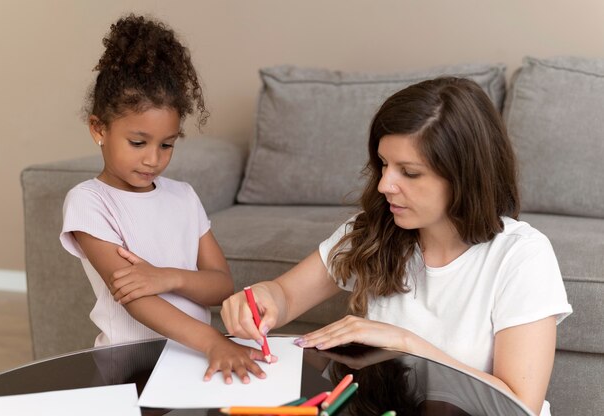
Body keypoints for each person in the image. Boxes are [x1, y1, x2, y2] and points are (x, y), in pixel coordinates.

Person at [221, 77, 572, 415]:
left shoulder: (521, 256)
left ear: (464, 175)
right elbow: (285, 295)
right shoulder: (372, 233)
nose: (385, 185)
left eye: (410, 172)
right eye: (384, 165)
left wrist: (407, 343)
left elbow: (519, 406)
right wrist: (263, 298)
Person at [60, 14, 268, 384]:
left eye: (167, 144)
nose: (153, 159)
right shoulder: (89, 202)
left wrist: (166, 277)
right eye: (138, 143)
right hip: (128, 368)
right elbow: (134, 297)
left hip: (192, 359)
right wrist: (213, 340)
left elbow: (221, 284)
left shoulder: (183, 196)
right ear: (99, 129)